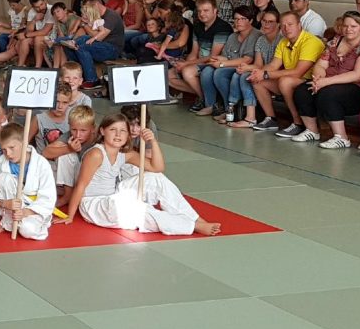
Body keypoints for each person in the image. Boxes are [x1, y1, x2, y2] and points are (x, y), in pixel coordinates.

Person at [62, 115, 221, 236]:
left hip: (114, 194)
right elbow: (81, 185)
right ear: (102, 131)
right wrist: (70, 216)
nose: (118, 135)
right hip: (95, 204)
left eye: (123, 130)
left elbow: (156, 168)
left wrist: (153, 141)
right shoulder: (96, 153)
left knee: (155, 178)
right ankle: (191, 226)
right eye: (112, 130)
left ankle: (194, 218)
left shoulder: (126, 154)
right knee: (135, 209)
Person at [289, 12, 360, 148]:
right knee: (303, 90)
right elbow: (320, 64)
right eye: (346, 26)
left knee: (328, 93)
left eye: (353, 26)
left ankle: (341, 137)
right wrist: (318, 78)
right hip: (329, 83)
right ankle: (312, 131)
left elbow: (359, 75)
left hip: (357, 89)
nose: (349, 29)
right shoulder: (335, 41)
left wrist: (326, 82)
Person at [255, 12, 327, 137]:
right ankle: (271, 119)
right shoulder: (283, 42)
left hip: (311, 82)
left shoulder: (311, 41)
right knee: (258, 81)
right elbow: (273, 65)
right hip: (293, 80)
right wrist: (259, 73)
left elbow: (299, 72)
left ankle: (297, 123)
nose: (286, 28)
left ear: (299, 25)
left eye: (290, 24)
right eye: (283, 25)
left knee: (284, 81)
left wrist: (266, 74)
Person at [0, 124, 57, 240]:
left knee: (27, 230)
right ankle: (7, 222)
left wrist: (25, 212)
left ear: (24, 143)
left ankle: (37, 224)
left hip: (33, 209)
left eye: (12, 148)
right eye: (4, 149)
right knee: (4, 178)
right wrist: (4, 203)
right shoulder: (1, 162)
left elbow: (48, 197)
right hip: (10, 210)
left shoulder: (41, 164)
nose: (8, 153)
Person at [169, 0, 232, 113]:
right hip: (200, 62)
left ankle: (205, 101)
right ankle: (204, 97)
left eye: (206, 10)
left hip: (215, 63)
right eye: (199, 11)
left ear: (215, 11)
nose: (202, 14)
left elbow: (213, 56)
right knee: (170, 75)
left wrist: (186, 64)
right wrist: (182, 64)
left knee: (187, 72)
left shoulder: (223, 27)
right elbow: (194, 52)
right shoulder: (198, 26)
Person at [202, 6, 261, 124]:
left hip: (246, 68)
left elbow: (248, 59)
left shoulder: (255, 35)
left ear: (250, 21)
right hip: (232, 65)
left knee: (220, 73)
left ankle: (232, 109)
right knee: (208, 70)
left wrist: (222, 64)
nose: (238, 22)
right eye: (236, 19)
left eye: (243, 19)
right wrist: (217, 59)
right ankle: (223, 107)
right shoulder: (233, 36)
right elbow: (226, 56)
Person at [73, 0, 125, 88]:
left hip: (112, 48)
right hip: (101, 44)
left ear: (96, 4)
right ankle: (76, 75)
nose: (88, 11)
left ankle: (92, 80)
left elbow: (99, 37)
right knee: (75, 43)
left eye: (89, 7)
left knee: (82, 47)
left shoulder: (111, 16)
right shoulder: (96, 15)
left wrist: (84, 25)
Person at [53, 105, 98, 207]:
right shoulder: (69, 135)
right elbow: (46, 152)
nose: (78, 135)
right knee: (64, 155)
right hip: (76, 177)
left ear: (93, 128)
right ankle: (68, 195)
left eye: (83, 130)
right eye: (74, 129)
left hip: (93, 179)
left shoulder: (100, 137)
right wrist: (69, 149)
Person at [30, 83, 75, 154]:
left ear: (70, 102)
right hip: (43, 161)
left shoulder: (73, 115)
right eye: (56, 102)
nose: (60, 106)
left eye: (65, 102)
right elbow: (25, 141)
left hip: (66, 160)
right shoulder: (38, 119)